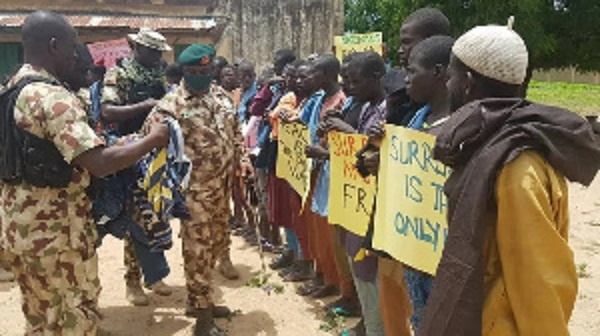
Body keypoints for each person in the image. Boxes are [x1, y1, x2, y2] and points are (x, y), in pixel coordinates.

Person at [419, 22, 600, 336]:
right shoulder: (490, 143)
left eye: (451, 76)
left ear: (468, 83)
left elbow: (538, 280)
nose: (447, 86)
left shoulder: (517, 167)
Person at [0, 11, 169, 335]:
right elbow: (99, 162)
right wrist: (152, 140)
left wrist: (120, 143)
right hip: (56, 231)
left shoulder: (12, 88)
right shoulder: (52, 98)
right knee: (73, 316)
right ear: (53, 46)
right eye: (71, 47)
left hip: (22, 228)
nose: (76, 55)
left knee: (40, 316)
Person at [144, 44, 252, 336]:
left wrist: (242, 159)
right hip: (195, 195)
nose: (202, 76)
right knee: (198, 253)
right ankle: (203, 322)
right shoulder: (171, 104)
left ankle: (200, 300)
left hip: (222, 190)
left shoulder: (221, 96)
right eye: (195, 72)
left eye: (206, 71)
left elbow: (236, 131)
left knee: (216, 246)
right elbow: (148, 140)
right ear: (185, 72)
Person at [101, 27, 172, 305]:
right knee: (135, 219)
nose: (157, 56)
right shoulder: (118, 74)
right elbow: (107, 112)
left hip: (155, 153)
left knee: (157, 215)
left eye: (159, 52)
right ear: (136, 48)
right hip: (129, 151)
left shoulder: (158, 74)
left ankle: (153, 275)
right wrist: (146, 105)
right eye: (152, 51)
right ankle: (133, 282)